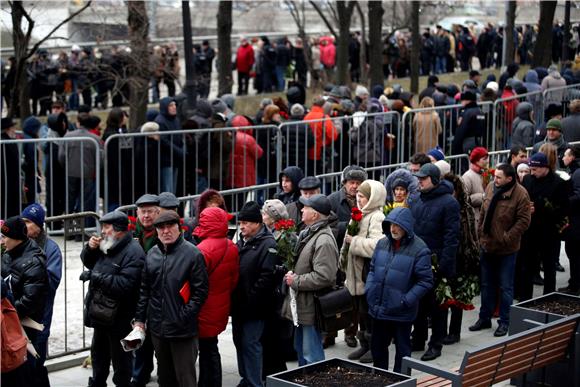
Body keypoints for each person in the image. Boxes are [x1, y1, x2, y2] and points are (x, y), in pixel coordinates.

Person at [134, 211, 208, 387]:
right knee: (165, 377)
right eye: (161, 228)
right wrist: (140, 320)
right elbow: (145, 290)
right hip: (158, 329)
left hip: (183, 330)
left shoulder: (193, 254)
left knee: (185, 378)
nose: (166, 231)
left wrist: (182, 316)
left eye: (170, 227)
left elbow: (200, 292)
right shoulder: (152, 254)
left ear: (179, 229)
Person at [80, 211, 145, 387]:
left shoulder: (134, 252)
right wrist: (89, 249)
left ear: (119, 230)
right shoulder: (107, 244)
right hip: (101, 313)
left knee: (121, 362)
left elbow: (125, 285)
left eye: (107, 227)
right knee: (98, 356)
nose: (103, 231)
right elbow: (88, 261)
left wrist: (96, 277)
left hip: (120, 318)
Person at [366, 207, 433, 372]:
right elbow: (373, 269)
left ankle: (402, 382)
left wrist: (405, 300)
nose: (393, 229)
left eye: (398, 225)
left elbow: (425, 281)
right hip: (379, 308)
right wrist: (370, 289)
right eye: (391, 224)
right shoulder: (382, 243)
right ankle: (380, 381)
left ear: (407, 227)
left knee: (402, 352)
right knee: (378, 349)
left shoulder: (420, 249)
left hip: (401, 312)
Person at [469, 164, 531, 336]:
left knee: (505, 287)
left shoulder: (520, 194)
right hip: (487, 245)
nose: (494, 179)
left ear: (509, 179)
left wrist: (507, 237)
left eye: (498, 177)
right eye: (495, 176)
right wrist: (480, 232)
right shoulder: (490, 187)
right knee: (486, 284)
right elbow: (483, 211)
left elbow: (524, 221)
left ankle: (505, 321)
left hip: (507, 249)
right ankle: (485, 318)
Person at [409, 163, 460, 361]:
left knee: (438, 307)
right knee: (419, 304)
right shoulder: (416, 199)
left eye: (423, 178)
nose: (419, 181)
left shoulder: (449, 203)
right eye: (418, 177)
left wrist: (444, 267)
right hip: (417, 261)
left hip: (437, 263)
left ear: (435, 180)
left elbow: (451, 238)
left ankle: (435, 344)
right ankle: (418, 339)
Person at [282, 194, 339, 365]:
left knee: (311, 357)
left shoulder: (324, 240)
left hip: (311, 308)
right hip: (303, 306)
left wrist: (296, 280)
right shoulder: (310, 233)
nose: (301, 210)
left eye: (305, 208)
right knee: (302, 351)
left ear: (315, 215)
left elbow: (324, 276)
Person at [231, 202, 280, 387]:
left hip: (255, 308)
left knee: (251, 345)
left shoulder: (268, 244)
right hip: (239, 306)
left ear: (257, 223)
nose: (242, 226)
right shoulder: (242, 241)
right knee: (238, 342)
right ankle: (246, 379)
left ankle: (254, 382)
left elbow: (266, 278)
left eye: (246, 223)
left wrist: (249, 302)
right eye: (240, 222)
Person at [342, 180, 387, 364]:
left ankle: (374, 348)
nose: (358, 199)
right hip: (355, 273)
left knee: (369, 313)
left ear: (372, 198)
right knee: (360, 312)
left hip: (367, 273)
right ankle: (364, 345)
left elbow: (378, 245)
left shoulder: (377, 217)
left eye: (362, 197)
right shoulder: (359, 214)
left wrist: (354, 242)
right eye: (358, 196)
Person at [193, 207, 239, 387]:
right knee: (211, 347)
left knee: (205, 351)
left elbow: (194, 283)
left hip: (203, 309)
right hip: (219, 307)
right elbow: (234, 280)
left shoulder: (202, 250)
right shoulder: (231, 246)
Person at [1, 216, 48, 387]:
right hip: (9, 322)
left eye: (5, 237)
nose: (2, 240)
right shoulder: (7, 254)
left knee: (28, 371)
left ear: (16, 238)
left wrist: (9, 313)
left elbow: (30, 301)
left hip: (27, 327)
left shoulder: (34, 262)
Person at [21, 204, 62, 387]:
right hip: (18, 315)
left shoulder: (51, 249)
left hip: (39, 318)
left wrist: (30, 272)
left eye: (28, 222)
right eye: (22, 222)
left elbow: (51, 283)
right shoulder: (17, 244)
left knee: (36, 365)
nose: (24, 226)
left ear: (39, 225)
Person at [519, 153, 568, 300]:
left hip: (549, 232)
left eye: (535, 169)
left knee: (549, 268)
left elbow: (563, 209)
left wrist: (541, 206)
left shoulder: (558, 183)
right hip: (530, 231)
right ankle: (525, 299)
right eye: (531, 169)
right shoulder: (528, 180)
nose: (532, 172)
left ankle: (548, 299)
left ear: (545, 167)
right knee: (527, 267)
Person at [441, 173, 479, 344]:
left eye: (452, 191)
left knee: (458, 297)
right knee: (442, 296)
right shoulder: (442, 207)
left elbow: (471, 236)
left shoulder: (465, 209)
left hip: (461, 258)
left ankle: (454, 332)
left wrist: (471, 257)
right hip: (445, 257)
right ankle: (440, 331)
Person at [129, 194, 161, 387]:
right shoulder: (131, 232)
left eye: (150, 211)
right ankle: (139, 375)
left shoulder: (164, 231)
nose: (146, 216)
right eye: (143, 212)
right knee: (139, 337)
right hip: (135, 295)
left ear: (158, 212)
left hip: (157, 294)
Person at [58, 113, 102, 229]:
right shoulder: (95, 138)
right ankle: (82, 230)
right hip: (88, 173)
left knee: (70, 201)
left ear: (78, 123)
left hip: (70, 172)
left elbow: (61, 156)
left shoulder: (68, 136)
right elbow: (101, 159)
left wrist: (66, 167)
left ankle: (68, 228)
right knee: (85, 203)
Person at [559, 145, 580, 295]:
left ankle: (574, 286)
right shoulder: (575, 172)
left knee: (574, 252)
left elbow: (578, 195)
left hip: (576, 221)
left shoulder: (577, 173)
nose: (563, 158)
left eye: (565, 155)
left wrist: (564, 202)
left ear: (572, 157)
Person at [452, 91, 485, 156]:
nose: (461, 103)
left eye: (462, 100)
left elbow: (461, 130)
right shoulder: (480, 111)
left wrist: (455, 146)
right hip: (478, 142)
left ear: (467, 100)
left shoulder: (466, 113)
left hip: (467, 143)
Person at [1, 118, 21, 219]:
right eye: (12, 127)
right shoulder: (6, 142)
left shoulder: (7, 140)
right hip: (8, 181)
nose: (14, 130)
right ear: (7, 129)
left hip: (9, 180)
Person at [462, 147, 489, 224]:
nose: (487, 161)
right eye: (484, 159)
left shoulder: (485, 174)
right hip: (474, 220)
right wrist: (483, 197)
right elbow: (464, 199)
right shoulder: (467, 176)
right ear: (476, 160)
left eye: (487, 159)